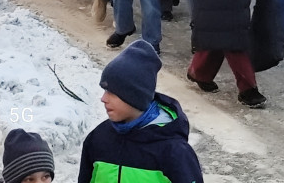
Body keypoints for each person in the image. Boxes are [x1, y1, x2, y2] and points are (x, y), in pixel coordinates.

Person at [78, 40, 204, 183]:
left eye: (112, 92)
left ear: (134, 96)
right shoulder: (98, 139)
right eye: (105, 90)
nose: (103, 98)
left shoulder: (174, 152)